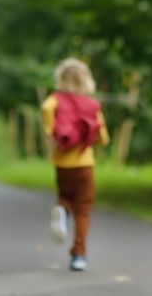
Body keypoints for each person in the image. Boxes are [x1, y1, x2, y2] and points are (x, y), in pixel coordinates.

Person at [40, 57, 110, 272]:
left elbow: (45, 108)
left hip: (62, 164)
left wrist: (51, 130)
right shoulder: (91, 105)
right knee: (84, 209)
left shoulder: (56, 100)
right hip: (84, 164)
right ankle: (79, 254)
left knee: (65, 195)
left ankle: (61, 208)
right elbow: (103, 138)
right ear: (86, 80)